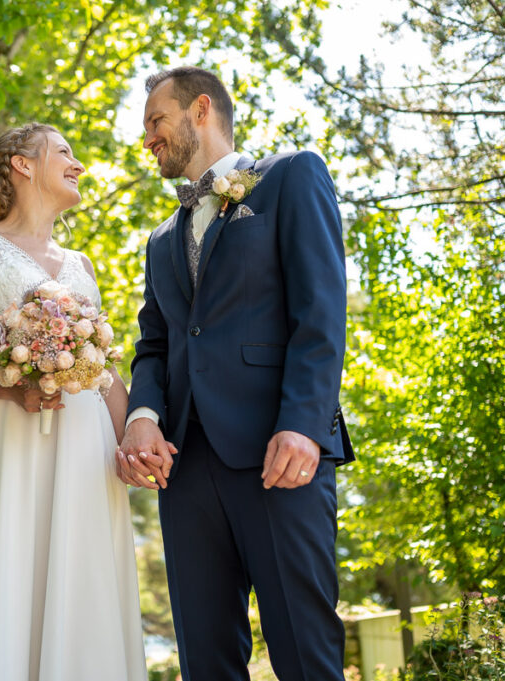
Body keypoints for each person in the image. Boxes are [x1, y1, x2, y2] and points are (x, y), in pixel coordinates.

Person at [116, 66, 355, 681]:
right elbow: (155, 343)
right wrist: (142, 418)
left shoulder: (290, 175)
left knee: (304, 649)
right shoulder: (159, 239)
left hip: (280, 453)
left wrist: (303, 424)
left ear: (201, 110)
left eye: (155, 121)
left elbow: (320, 311)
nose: (148, 139)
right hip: (187, 470)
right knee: (206, 661)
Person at [0, 123, 146, 681]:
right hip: (4, 439)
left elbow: (101, 370)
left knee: (81, 586)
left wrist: (139, 434)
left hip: (85, 452)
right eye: (65, 153)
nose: (79, 165)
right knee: (6, 577)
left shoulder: (82, 264)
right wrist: (10, 386)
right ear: (21, 163)